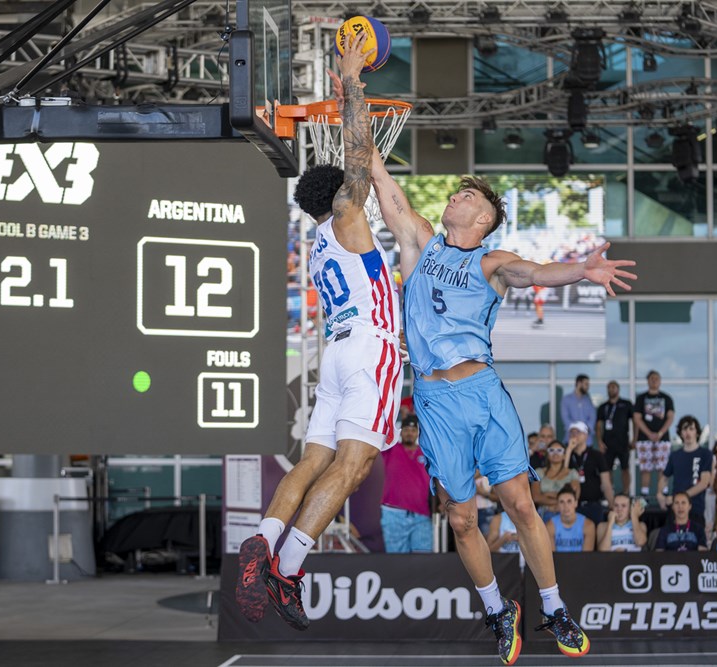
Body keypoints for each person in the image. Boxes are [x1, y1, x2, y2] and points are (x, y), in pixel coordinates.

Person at [362, 77, 636, 660]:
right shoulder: (420, 243)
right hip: (434, 403)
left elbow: (538, 274)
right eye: (456, 193)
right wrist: (353, 96)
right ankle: (496, 609)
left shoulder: (493, 261)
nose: (456, 197)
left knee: (519, 504)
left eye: (468, 196)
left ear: (485, 218)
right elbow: (377, 174)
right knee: (461, 520)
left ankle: (555, 610)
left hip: (482, 393)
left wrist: (580, 271)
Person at [236, 33, 403, 631]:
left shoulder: (317, 242)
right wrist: (353, 82)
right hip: (369, 350)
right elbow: (358, 156)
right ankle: (289, 569)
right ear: (337, 199)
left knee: (312, 462)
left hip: (336, 355)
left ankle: (263, 544)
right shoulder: (347, 217)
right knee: (355, 466)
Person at [380, 415, 433, 553]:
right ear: (401, 431)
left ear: (418, 432)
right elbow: (383, 431)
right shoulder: (390, 449)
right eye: (406, 429)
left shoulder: (426, 453)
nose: (409, 433)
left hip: (421, 514)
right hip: (393, 513)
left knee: (423, 561)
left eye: (413, 430)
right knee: (396, 562)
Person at [656, 415, 712, 525]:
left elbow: (704, 483)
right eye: (685, 429)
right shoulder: (675, 455)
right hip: (675, 509)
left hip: (695, 508)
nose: (688, 432)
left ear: (697, 432)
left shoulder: (705, 454)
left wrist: (681, 497)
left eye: (691, 429)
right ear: (680, 433)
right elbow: (664, 477)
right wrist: (659, 494)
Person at [633, 370, 675, 499]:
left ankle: (663, 493)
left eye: (657, 378)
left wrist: (660, 433)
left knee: (662, 467)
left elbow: (670, 417)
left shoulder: (666, 398)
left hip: (662, 439)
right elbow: (637, 418)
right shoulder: (641, 398)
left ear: (660, 381)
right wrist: (649, 433)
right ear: (648, 380)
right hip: (645, 439)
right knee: (646, 467)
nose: (654, 381)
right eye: (652, 378)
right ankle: (644, 495)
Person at [565, 421, 614, 523]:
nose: (574, 436)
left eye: (578, 432)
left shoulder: (596, 455)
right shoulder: (566, 456)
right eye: (572, 433)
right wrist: (569, 450)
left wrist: (612, 505)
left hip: (593, 505)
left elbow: (606, 483)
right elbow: (562, 474)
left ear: (586, 435)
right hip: (572, 506)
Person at [596, 380, 635, 495]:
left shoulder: (626, 404)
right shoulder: (603, 407)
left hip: (623, 442)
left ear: (618, 389)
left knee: (625, 468)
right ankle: (610, 491)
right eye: (609, 387)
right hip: (608, 442)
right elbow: (598, 425)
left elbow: (635, 422)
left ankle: (626, 491)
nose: (611, 389)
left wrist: (635, 439)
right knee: (608, 469)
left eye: (614, 387)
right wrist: (599, 441)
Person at [531, 441, 580, 522]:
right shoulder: (538, 472)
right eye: (551, 450)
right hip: (544, 513)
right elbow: (536, 497)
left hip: (566, 513)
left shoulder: (572, 473)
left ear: (564, 455)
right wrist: (560, 501)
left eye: (559, 450)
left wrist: (547, 495)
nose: (555, 453)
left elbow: (574, 497)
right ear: (547, 454)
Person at [546, 487, 595, 552]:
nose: (566, 506)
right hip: (558, 562)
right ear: (557, 505)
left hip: (580, 561)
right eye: (561, 502)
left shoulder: (588, 525)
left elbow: (587, 557)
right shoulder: (550, 526)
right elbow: (551, 556)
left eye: (569, 501)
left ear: (576, 503)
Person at [560, 374, 595, 445]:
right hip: (570, 440)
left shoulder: (588, 401)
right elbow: (565, 418)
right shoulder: (566, 400)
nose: (588, 387)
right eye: (586, 384)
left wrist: (584, 429)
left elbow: (592, 417)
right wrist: (576, 431)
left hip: (587, 441)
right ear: (579, 383)